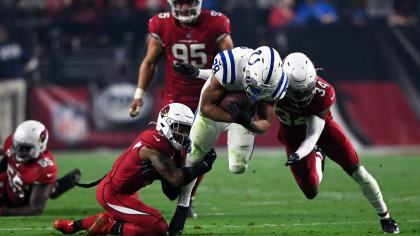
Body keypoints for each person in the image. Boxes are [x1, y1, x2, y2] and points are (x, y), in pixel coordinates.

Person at [168, 46, 289, 235]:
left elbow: (265, 123)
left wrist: (248, 123)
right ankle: (183, 206)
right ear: (247, 71)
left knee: (238, 167)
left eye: (263, 91)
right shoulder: (231, 64)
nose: (256, 94)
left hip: (243, 118)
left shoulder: (277, 83)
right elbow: (206, 107)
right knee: (194, 155)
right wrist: (232, 117)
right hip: (215, 111)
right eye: (255, 86)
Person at [129, 0, 233, 218]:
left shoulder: (216, 22)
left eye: (189, 2)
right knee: (164, 150)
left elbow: (230, 64)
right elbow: (150, 63)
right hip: (174, 99)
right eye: (180, 2)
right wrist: (139, 94)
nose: (185, 7)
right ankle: (133, 191)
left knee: (197, 152)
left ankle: (188, 200)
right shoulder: (161, 24)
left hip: (207, 98)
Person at [276, 52, 400, 234]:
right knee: (311, 192)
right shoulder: (272, 87)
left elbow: (313, 134)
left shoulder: (323, 92)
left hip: (323, 131)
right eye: (297, 91)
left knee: (358, 171)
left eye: (306, 89)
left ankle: (386, 218)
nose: (302, 95)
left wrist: (300, 153)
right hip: (293, 137)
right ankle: (319, 156)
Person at [53, 103, 218, 235]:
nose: (184, 134)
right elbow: (176, 178)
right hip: (113, 192)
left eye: (187, 129)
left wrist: (160, 176)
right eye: (179, 128)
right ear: (165, 124)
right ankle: (108, 228)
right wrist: (204, 166)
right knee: (158, 226)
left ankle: (72, 226)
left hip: (127, 192)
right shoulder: (154, 142)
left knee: (137, 219)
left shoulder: (173, 149)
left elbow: (172, 193)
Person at [0, 120, 81, 216]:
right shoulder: (12, 141)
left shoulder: (43, 168)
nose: (18, 150)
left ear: (39, 146)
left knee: (30, 186)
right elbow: (7, 155)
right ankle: (53, 187)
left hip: (24, 190)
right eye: (17, 145)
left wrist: (5, 212)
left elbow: (35, 208)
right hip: (7, 181)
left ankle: (52, 187)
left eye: (24, 148)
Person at [0, 25, 38, 143]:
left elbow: (32, 62)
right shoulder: (16, 47)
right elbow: (32, 62)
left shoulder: (14, 46)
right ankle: (12, 143)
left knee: (12, 115)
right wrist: (24, 71)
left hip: (6, 83)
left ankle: (15, 142)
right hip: (14, 82)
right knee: (8, 115)